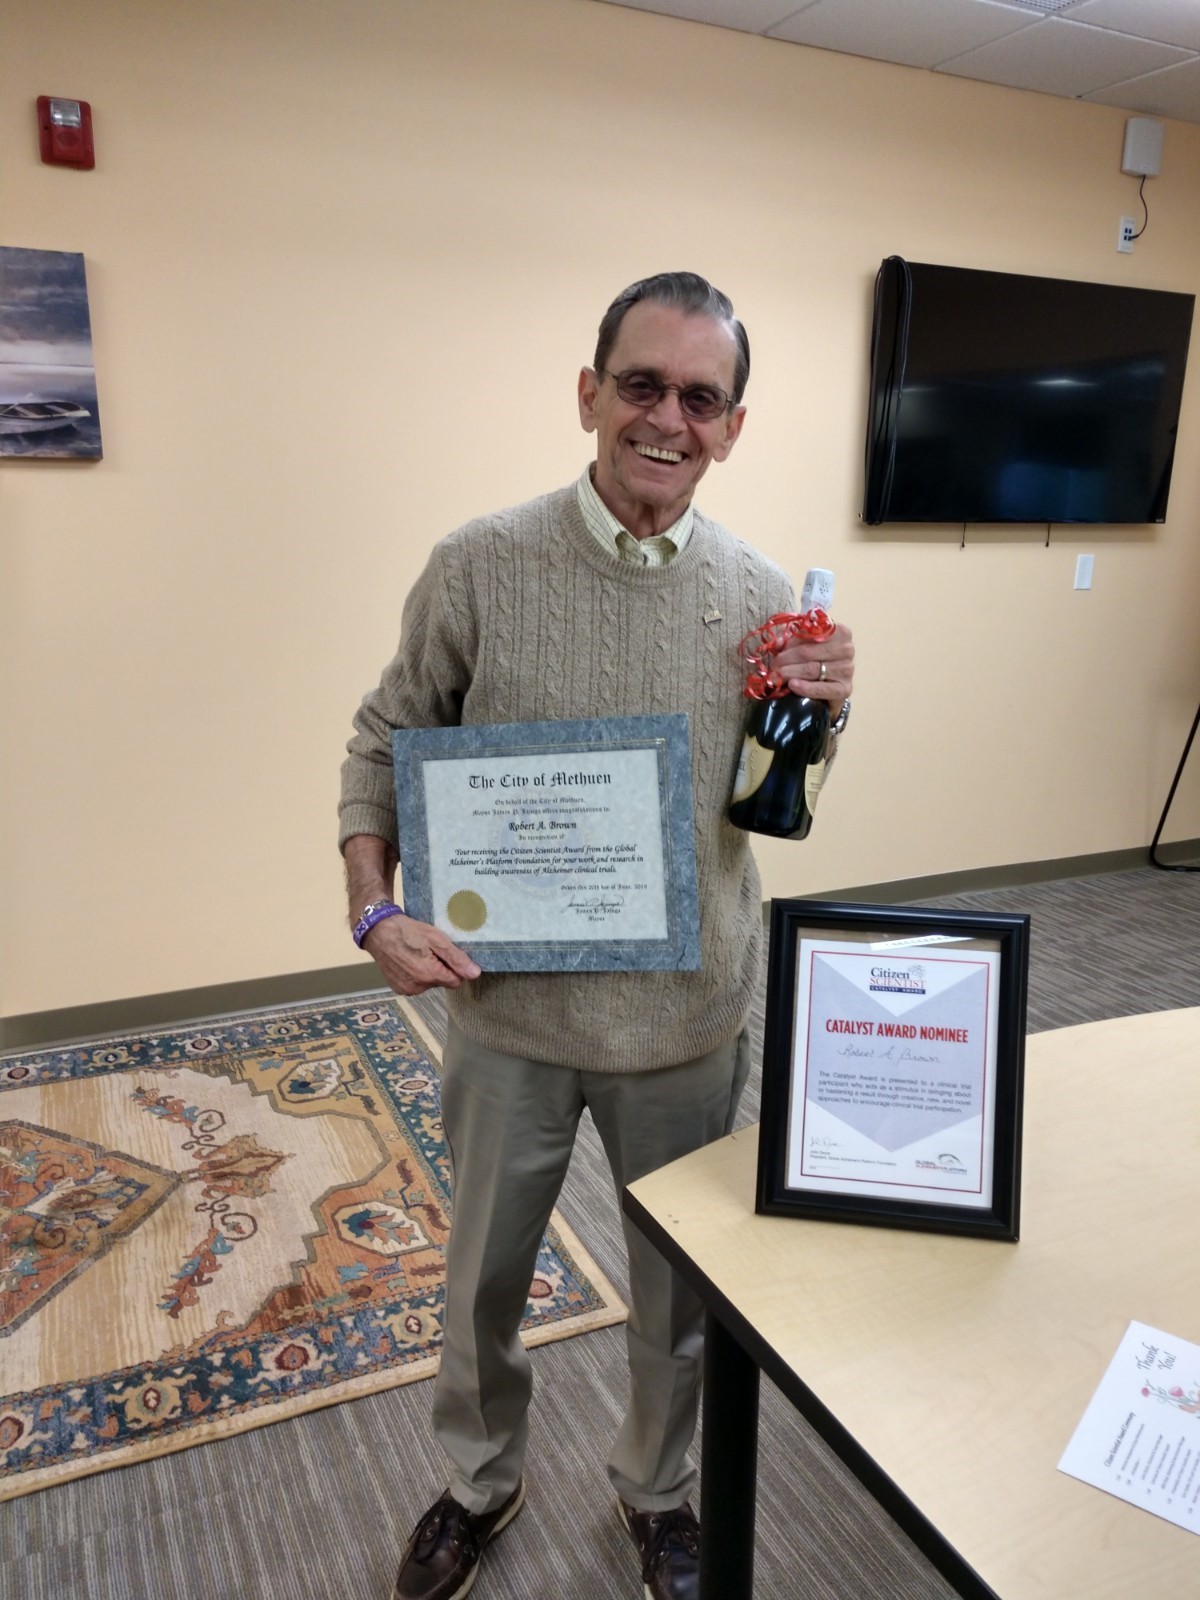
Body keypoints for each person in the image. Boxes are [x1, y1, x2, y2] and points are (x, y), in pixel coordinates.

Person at [339, 271, 855, 1600]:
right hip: (508, 1014)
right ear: (589, 395)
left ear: (733, 426)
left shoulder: (765, 600)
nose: (668, 419)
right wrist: (375, 906)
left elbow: (775, 808)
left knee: (677, 1295)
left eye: (701, 398)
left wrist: (820, 716)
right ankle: (478, 1482)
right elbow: (386, 739)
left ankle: (658, 1492)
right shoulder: (479, 563)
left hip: (684, 1020)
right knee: (481, 1281)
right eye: (642, 385)